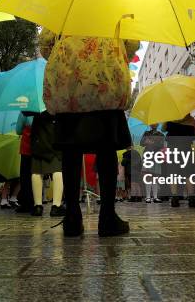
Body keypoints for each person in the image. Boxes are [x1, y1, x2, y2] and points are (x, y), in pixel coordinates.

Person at [40, 28, 139, 237]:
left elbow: (46, 44)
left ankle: (73, 218)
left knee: (71, 152)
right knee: (106, 148)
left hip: (69, 83)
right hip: (106, 78)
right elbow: (131, 43)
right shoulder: (114, 2)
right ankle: (107, 217)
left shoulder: (64, 4)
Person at [30, 111, 65, 217]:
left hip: (38, 138)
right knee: (57, 170)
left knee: (37, 171)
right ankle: (56, 206)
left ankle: (37, 206)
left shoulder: (33, 98)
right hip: (54, 135)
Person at [163, 115, 195, 208]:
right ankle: (192, 199)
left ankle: (174, 199)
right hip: (186, 148)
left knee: (173, 173)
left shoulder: (170, 118)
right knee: (189, 173)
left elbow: (163, 129)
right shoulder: (191, 119)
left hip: (173, 149)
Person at [140, 124, 165, 204]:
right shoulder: (146, 133)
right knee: (148, 176)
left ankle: (155, 197)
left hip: (156, 156)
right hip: (147, 156)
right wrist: (147, 142)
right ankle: (148, 197)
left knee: (155, 177)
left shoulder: (161, 134)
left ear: (157, 124)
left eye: (156, 123)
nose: (154, 124)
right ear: (150, 124)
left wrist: (151, 142)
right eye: (152, 123)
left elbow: (161, 145)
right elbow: (141, 143)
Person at [15, 112, 34, 213]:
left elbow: (18, 130)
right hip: (40, 147)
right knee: (36, 175)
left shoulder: (25, 112)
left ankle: (26, 203)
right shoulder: (45, 110)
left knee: (25, 176)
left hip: (27, 147)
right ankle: (37, 202)